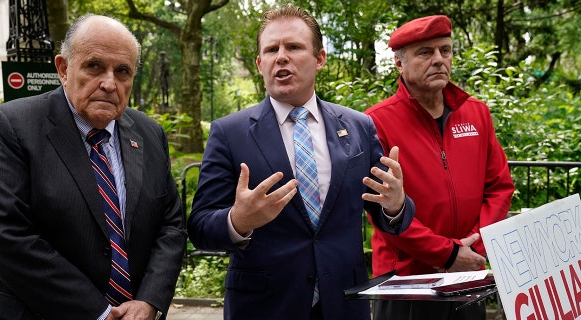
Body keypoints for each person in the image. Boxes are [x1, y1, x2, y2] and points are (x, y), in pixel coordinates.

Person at [188, 5, 415, 320]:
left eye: (293, 47)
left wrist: (395, 204)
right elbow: (199, 227)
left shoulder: (359, 126)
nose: (281, 57)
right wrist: (238, 221)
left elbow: (389, 215)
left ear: (319, 58)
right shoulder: (229, 133)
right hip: (264, 307)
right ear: (259, 63)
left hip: (343, 305)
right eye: (271, 50)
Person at [0, 14, 186, 320]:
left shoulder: (149, 134)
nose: (110, 83)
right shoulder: (13, 125)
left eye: (123, 71)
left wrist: (150, 300)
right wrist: (98, 312)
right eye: (94, 66)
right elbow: (3, 234)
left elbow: (171, 225)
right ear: (63, 68)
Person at [364, 15, 515, 319]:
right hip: (405, 282)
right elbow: (382, 209)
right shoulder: (374, 122)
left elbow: (499, 187)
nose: (438, 60)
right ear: (399, 64)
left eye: (445, 51)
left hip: (468, 274)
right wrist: (447, 254)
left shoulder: (476, 113)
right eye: (425, 52)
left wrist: (475, 248)